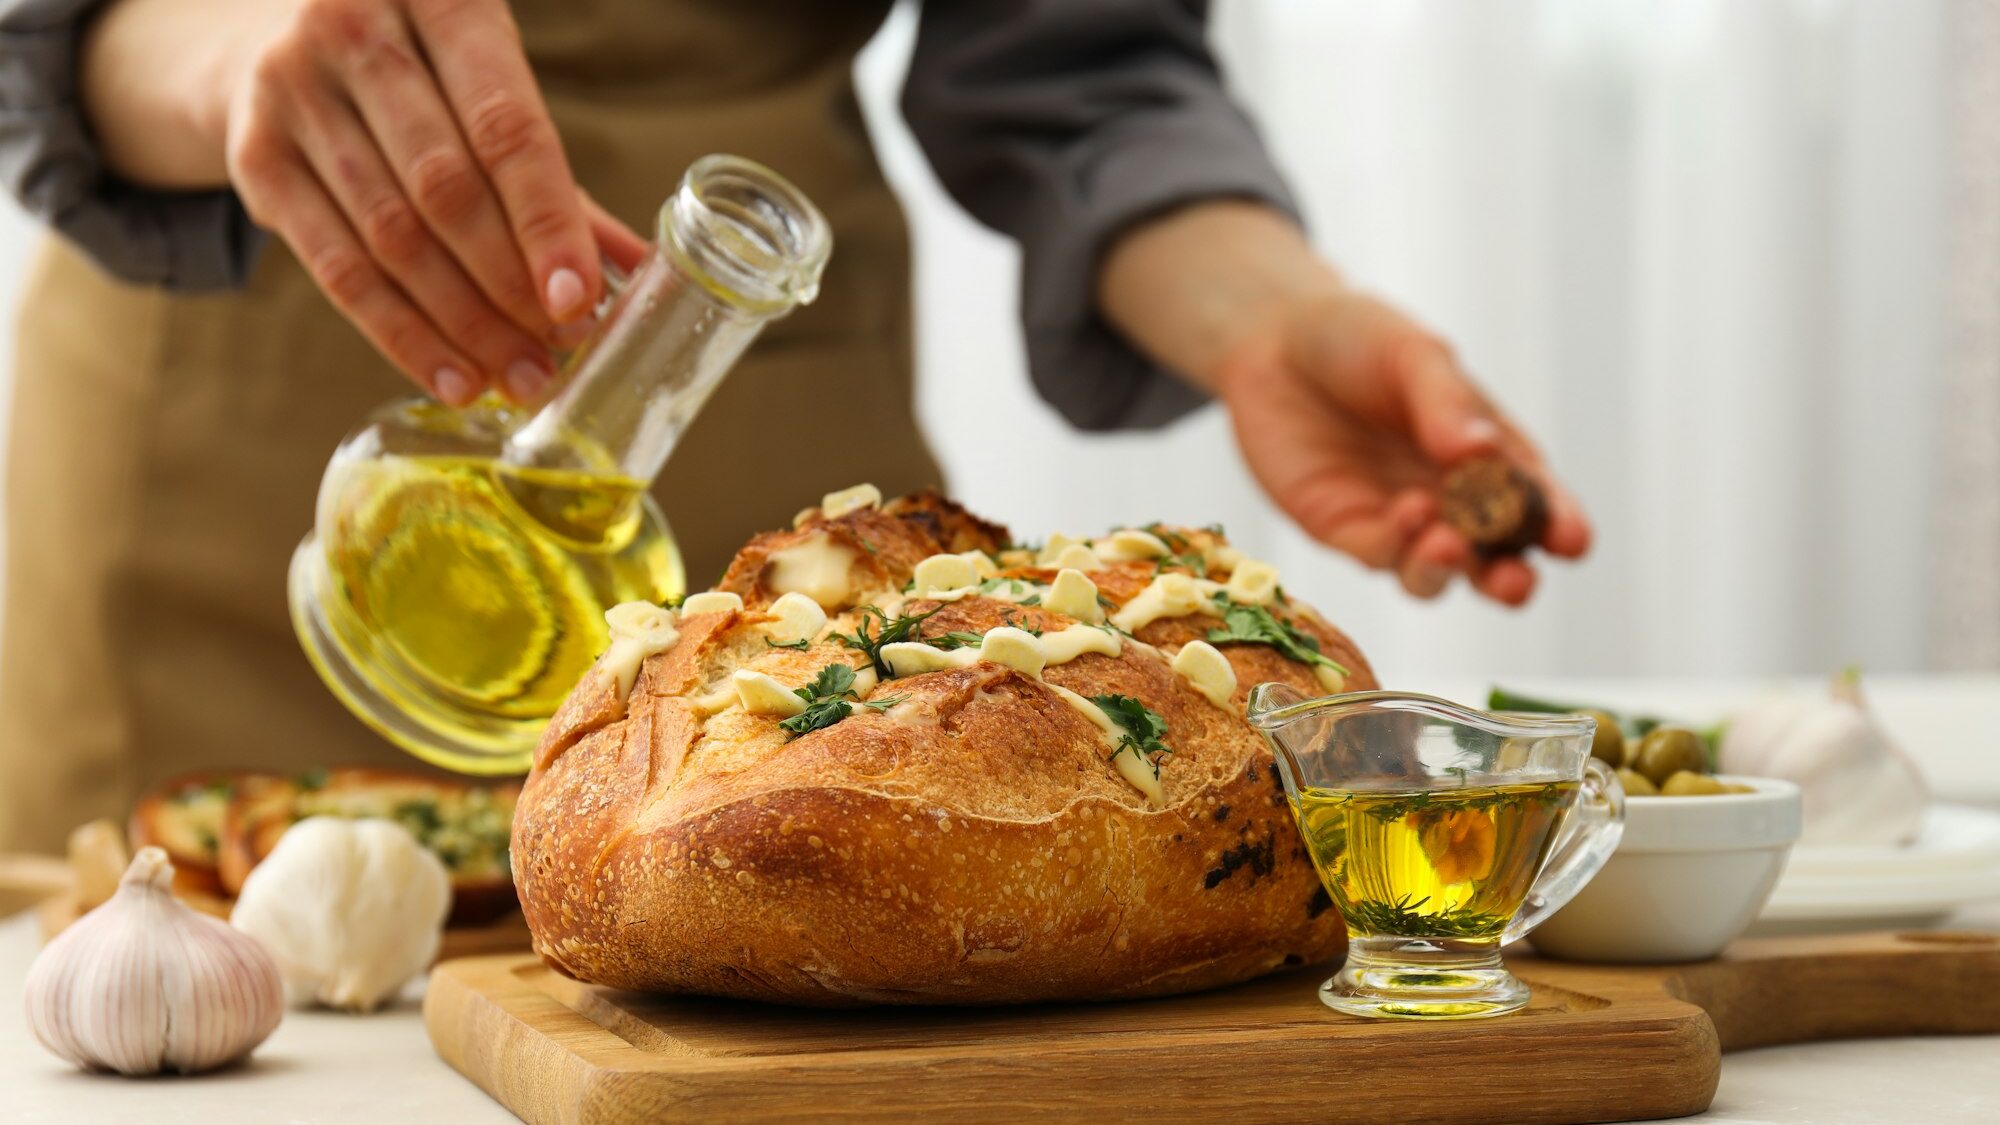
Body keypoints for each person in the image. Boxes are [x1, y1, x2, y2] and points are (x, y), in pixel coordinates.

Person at [0, 0, 1588, 850]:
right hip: (222, 475)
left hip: (780, 558)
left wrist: (1266, 319)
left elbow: (1073, 54)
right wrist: (226, 56)